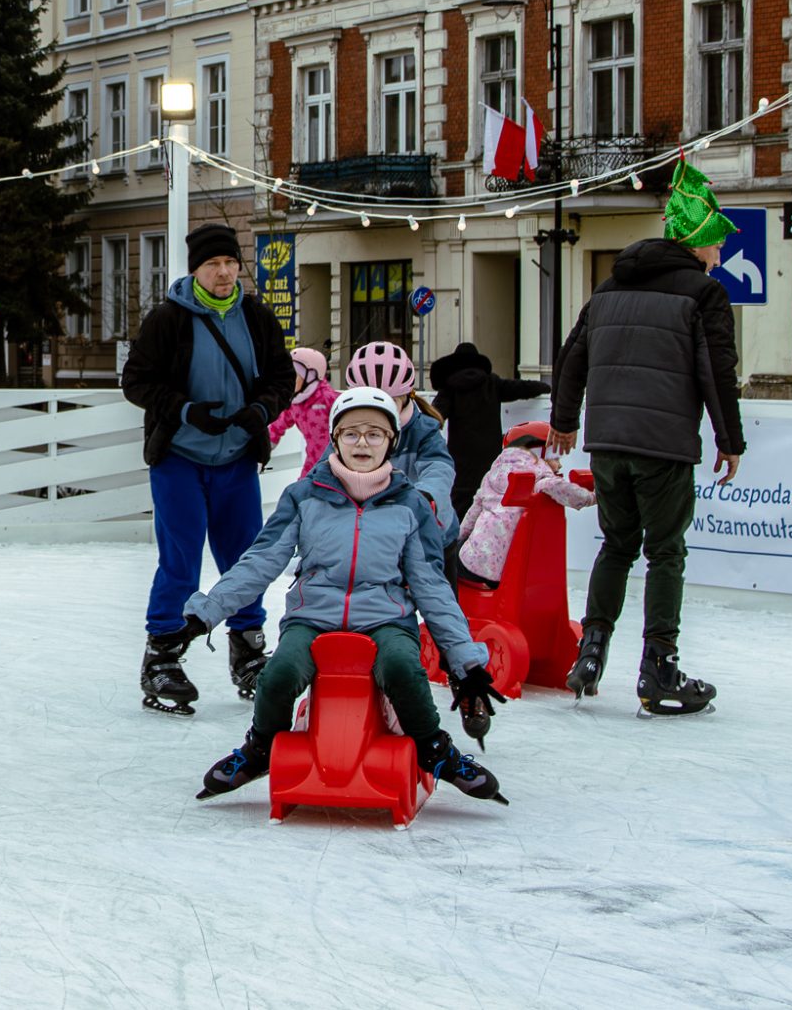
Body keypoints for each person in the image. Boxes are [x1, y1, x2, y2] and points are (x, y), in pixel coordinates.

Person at [184, 387, 506, 803]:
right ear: (334, 438)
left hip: (386, 618)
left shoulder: (410, 504)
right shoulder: (304, 496)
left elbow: (431, 586)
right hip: (313, 616)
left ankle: (434, 749)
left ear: (391, 441)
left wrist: (466, 663)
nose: (362, 443)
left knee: (403, 669)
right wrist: (206, 613)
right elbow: (261, 561)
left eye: (374, 434)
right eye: (351, 433)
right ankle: (261, 748)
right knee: (279, 674)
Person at [551, 160, 743, 717]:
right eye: (717, 245)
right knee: (665, 552)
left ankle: (590, 652)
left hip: (608, 444)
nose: (720, 256)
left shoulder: (608, 288)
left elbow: (571, 357)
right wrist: (729, 439)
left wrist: (565, 419)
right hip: (663, 445)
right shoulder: (704, 294)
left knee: (617, 545)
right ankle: (659, 667)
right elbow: (717, 372)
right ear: (698, 242)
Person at [121, 224, 297, 714]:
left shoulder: (257, 317)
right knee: (180, 557)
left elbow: (282, 377)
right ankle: (162, 655)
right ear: (195, 269)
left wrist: (261, 409)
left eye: (230, 263)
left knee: (245, 557)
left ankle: (248, 650)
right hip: (179, 457)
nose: (224, 273)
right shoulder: (168, 320)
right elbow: (135, 381)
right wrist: (183, 410)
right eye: (213, 264)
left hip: (236, 458)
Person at [345, 340, 458, 546]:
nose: (380, 416)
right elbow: (323, 471)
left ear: (406, 397)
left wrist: (424, 496)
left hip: (426, 535)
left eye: (390, 403)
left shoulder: (422, 431)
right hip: (371, 535)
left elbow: (439, 469)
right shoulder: (347, 434)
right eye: (369, 405)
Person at [456, 421, 597, 587]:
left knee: (448, 555)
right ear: (540, 455)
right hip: (510, 569)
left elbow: (470, 519)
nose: (559, 465)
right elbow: (556, 486)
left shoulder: (491, 476)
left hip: (475, 565)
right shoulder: (538, 478)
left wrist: (457, 539)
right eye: (556, 458)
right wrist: (592, 497)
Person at [429, 341, 551, 524]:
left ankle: (460, 537)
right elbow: (521, 388)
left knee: (461, 502)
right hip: (490, 456)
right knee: (490, 498)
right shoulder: (492, 382)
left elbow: (434, 417)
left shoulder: (450, 388)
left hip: (461, 458)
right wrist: (544, 387)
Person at [264, 346, 338, 479]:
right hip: (313, 463)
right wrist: (263, 447)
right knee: (300, 489)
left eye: (295, 376)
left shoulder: (328, 398)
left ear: (310, 376)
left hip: (336, 464)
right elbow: (278, 425)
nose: (290, 380)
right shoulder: (295, 403)